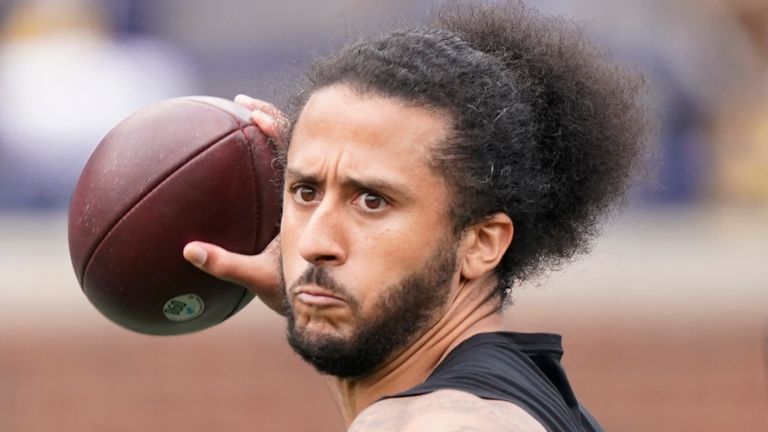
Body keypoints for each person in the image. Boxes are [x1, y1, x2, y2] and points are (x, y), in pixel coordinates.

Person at [183, 1, 649, 431]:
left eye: (371, 201)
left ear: (482, 242)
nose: (313, 243)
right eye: (306, 191)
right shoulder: (518, 392)